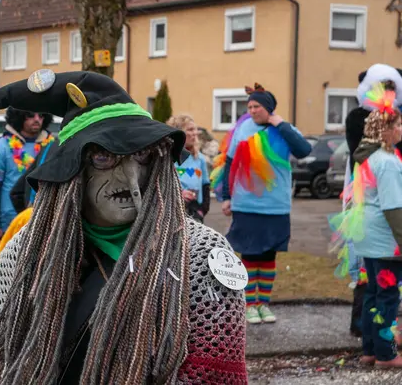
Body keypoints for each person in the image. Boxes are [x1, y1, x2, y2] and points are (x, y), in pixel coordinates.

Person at [0, 70, 248, 385]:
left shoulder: (200, 256)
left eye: (140, 155)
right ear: (71, 175)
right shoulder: (29, 250)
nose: (129, 178)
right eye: (102, 158)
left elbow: (215, 376)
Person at [213, 83, 312, 325]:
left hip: (276, 205)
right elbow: (229, 164)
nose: (252, 110)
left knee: (268, 257)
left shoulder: (284, 129)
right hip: (246, 205)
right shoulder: (243, 128)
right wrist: (226, 197)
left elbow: (303, 149)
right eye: (250, 107)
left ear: (268, 108)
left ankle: (264, 304)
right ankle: (248, 305)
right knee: (249, 255)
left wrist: (279, 123)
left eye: (257, 106)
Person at [330, 82, 402, 367]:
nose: (401, 129)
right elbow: (394, 207)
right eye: (398, 125)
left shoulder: (366, 157)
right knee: (387, 297)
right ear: (387, 130)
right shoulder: (388, 162)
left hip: (367, 237)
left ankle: (370, 350)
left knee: (373, 293)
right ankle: (386, 355)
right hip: (386, 240)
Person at [0, 107, 55, 242]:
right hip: (11, 221)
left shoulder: (52, 146)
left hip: (46, 221)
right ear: (19, 117)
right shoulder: (1, 147)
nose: (37, 119)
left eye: (41, 116)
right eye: (30, 115)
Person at [168, 114, 211, 223]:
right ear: (179, 133)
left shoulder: (199, 158)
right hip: (173, 211)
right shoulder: (168, 158)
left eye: (195, 129)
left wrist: (202, 210)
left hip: (195, 212)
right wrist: (179, 195)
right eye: (190, 129)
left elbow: (205, 185)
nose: (195, 133)